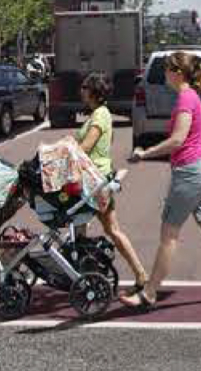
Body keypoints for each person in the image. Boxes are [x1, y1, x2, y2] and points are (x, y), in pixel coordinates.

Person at [123, 52, 201, 309]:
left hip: (190, 171)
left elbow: (178, 139)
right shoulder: (191, 97)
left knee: (169, 235)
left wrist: (144, 153)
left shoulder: (185, 98)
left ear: (178, 72)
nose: (163, 74)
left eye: (168, 69)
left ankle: (149, 293)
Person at [76, 71, 149, 298]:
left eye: (84, 87)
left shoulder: (99, 116)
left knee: (110, 229)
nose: (81, 91)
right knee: (84, 225)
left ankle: (139, 275)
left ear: (93, 92)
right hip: (94, 178)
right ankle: (84, 270)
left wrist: (62, 151)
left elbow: (86, 147)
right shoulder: (100, 114)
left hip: (94, 182)